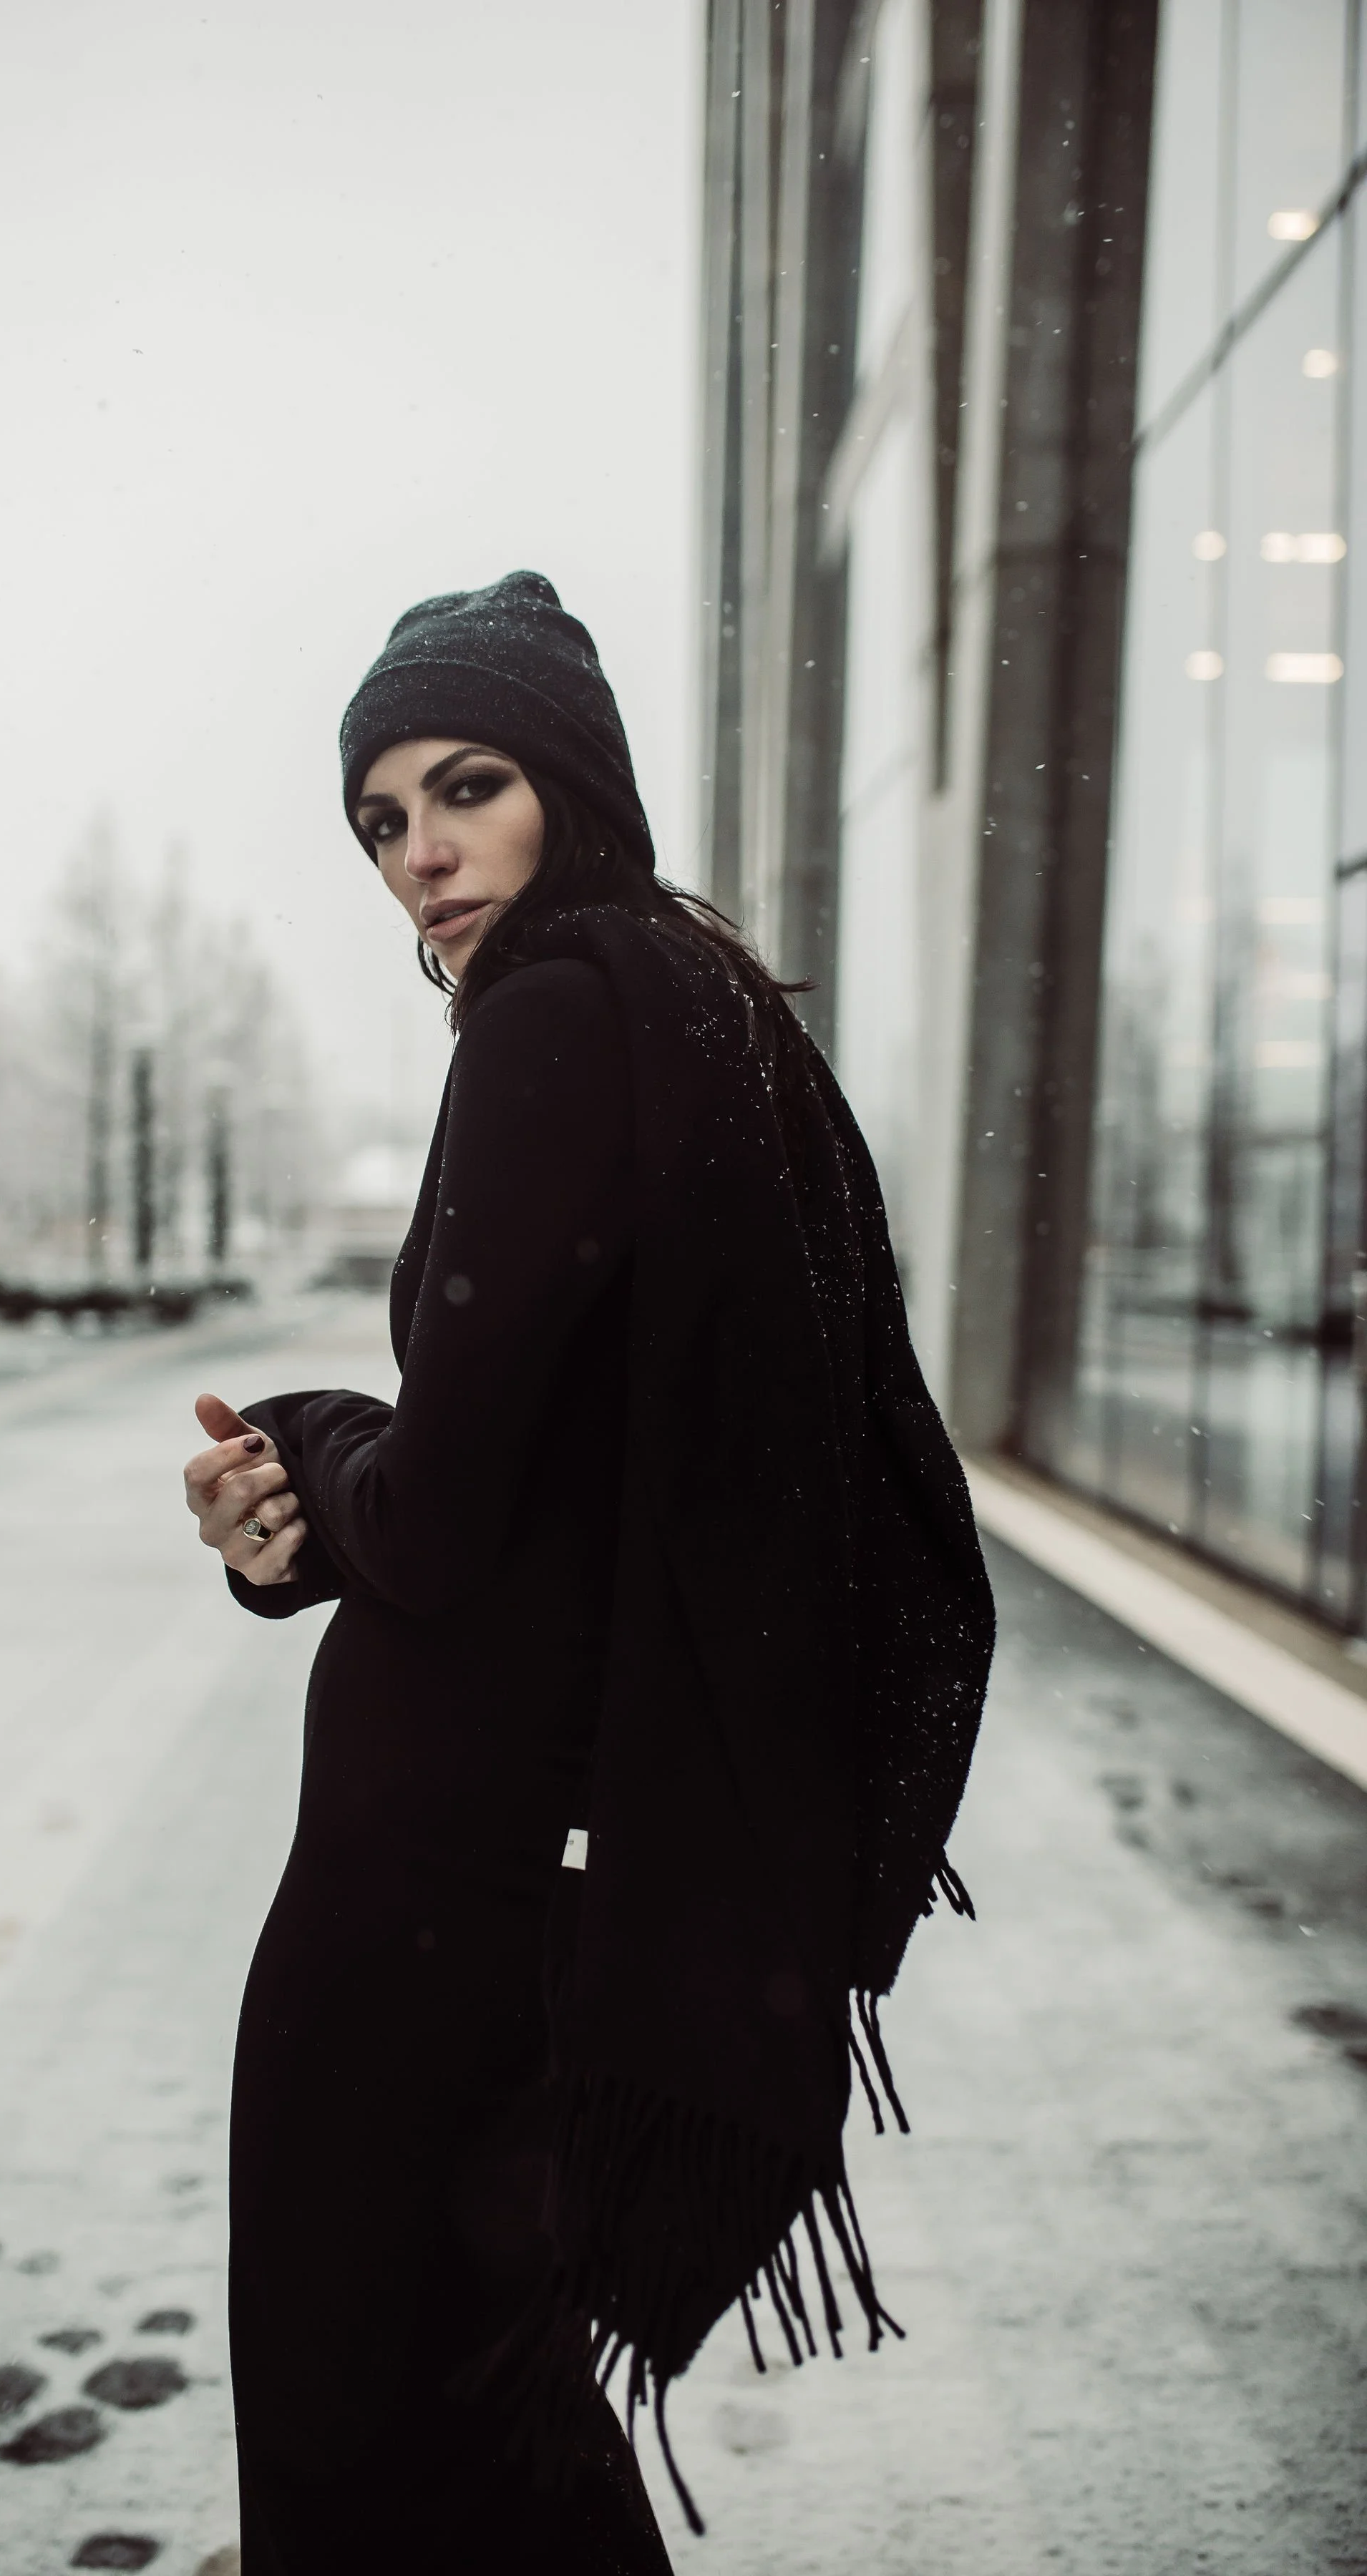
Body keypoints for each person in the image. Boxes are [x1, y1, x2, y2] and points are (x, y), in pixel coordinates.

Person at [183, 571, 995, 2571]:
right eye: (382, 820)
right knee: (490, 2419)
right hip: (560, 1864)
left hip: (444, 1892)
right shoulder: (705, 1009)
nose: (423, 855)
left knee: (364, 2418)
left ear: (573, 783)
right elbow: (578, 1486)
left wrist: (306, 1435)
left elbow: (446, 1514)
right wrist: (310, 1526)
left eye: (469, 788)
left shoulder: (558, 1015)